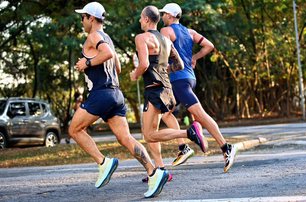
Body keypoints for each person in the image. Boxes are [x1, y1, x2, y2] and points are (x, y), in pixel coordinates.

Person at [71, 2, 168, 198]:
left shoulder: (94, 36)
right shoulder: (108, 38)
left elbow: (106, 54)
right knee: (125, 138)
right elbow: (118, 68)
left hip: (101, 93)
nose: (81, 21)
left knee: (74, 129)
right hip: (115, 94)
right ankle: (154, 173)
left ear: (91, 18)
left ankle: (103, 162)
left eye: (83, 17)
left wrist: (87, 63)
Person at [129, 5, 208, 180]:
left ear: (147, 19)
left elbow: (143, 65)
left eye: (141, 18)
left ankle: (189, 133)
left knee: (148, 134)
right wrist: (163, 71)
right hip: (166, 88)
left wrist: (134, 74)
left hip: (154, 90)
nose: (140, 21)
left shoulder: (142, 38)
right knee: (152, 132)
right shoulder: (166, 40)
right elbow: (179, 64)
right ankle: (160, 170)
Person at [159, 3, 239, 172]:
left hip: (178, 80)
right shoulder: (190, 32)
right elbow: (209, 46)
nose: (162, 17)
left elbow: (164, 55)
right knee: (165, 113)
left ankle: (226, 147)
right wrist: (194, 57)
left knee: (200, 115)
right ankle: (183, 148)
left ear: (171, 16)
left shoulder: (166, 31)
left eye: (164, 14)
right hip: (189, 77)